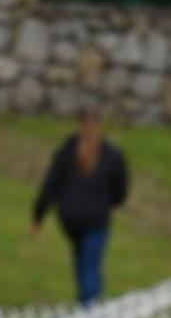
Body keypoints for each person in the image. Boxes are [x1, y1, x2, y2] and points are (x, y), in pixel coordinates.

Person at [30, 103, 130, 306]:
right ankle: (89, 312)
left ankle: (86, 304)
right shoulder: (110, 155)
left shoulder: (67, 151)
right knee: (90, 267)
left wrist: (38, 216)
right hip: (95, 219)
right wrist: (108, 203)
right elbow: (120, 191)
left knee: (83, 262)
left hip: (70, 218)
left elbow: (50, 186)